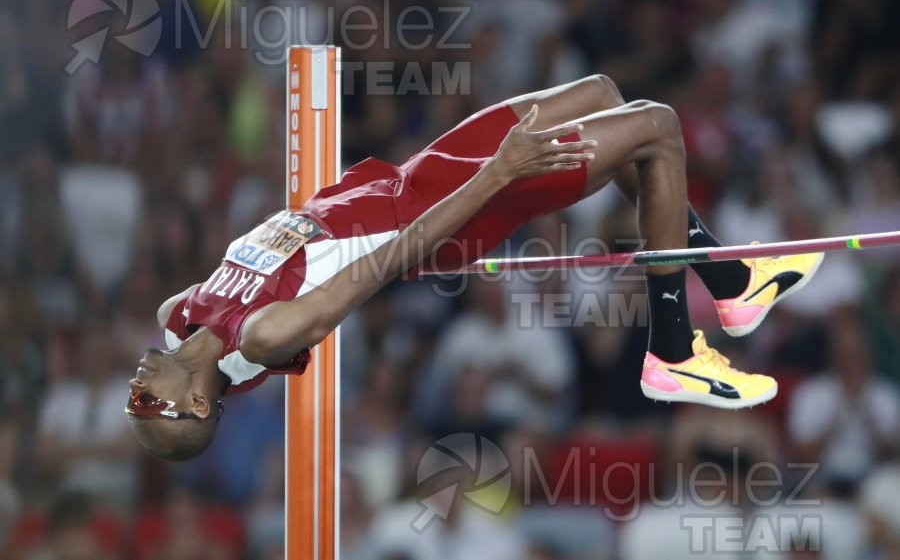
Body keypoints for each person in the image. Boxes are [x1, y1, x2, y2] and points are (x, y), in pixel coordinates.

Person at [126, 75, 823, 461]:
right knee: (658, 128)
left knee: (605, 94)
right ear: (193, 404)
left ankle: (733, 282)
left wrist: (191, 341)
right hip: (448, 213)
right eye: (144, 402)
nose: (134, 385)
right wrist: (500, 173)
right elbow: (395, 254)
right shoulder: (265, 336)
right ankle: (673, 348)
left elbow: (226, 287)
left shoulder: (179, 313)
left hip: (408, 178)